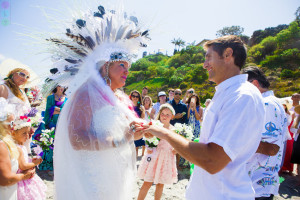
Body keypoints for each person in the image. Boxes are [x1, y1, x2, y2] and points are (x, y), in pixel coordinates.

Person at [134, 35, 265, 200]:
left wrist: (164, 133)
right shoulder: (228, 93)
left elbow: (213, 160)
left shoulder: (241, 96)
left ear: (228, 54)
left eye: (208, 57)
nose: (204, 65)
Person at [49, 5, 149, 199]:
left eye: (128, 66)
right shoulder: (85, 94)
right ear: (105, 67)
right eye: (121, 65)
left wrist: (137, 132)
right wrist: (121, 140)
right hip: (93, 178)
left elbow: (127, 134)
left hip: (116, 173)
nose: (127, 71)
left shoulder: (120, 97)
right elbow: (77, 140)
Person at [243, 66, 287, 199]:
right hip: (258, 183)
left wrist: (237, 143)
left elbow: (271, 148)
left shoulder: (266, 104)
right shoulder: (272, 103)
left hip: (257, 184)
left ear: (254, 84)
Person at [137, 104, 177, 200]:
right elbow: (147, 138)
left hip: (166, 158)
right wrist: (149, 146)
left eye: (168, 114)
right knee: (147, 182)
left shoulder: (174, 130)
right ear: (159, 114)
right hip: (154, 157)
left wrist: (175, 150)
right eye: (163, 113)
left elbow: (175, 146)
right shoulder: (155, 126)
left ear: (172, 116)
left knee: (160, 184)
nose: (165, 116)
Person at [0, 98, 34, 200]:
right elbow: (5, 179)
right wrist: (24, 176)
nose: (13, 126)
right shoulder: (1, 145)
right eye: (11, 123)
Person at [11, 116, 47, 200]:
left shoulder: (21, 145)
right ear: (13, 133)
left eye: (28, 132)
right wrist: (35, 163)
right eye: (24, 133)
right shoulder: (18, 148)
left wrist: (31, 160)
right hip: (22, 178)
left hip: (27, 175)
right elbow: (22, 166)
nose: (27, 136)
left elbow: (24, 160)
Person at [280, 101, 294, 174]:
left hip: (285, 134)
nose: (283, 106)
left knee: (284, 152)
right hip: (278, 134)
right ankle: (279, 169)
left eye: (284, 105)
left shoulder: (288, 114)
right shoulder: (278, 112)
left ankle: (283, 168)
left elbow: (288, 123)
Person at [130, 90, 145, 157]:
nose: (135, 97)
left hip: (138, 128)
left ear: (139, 98)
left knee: (137, 145)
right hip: (129, 128)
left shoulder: (141, 107)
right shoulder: (127, 106)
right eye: (133, 96)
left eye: (137, 96)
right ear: (131, 97)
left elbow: (142, 119)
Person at [291, 105, 300, 184]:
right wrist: (297, 130)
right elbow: (292, 129)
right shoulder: (297, 119)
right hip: (298, 140)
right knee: (298, 160)